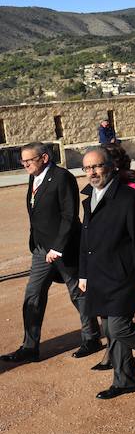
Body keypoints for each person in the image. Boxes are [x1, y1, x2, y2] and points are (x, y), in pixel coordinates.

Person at [76, 147, 135, 399]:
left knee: (119, 328)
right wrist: (83, 274)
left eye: (97, 166)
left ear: (111, 167)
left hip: (124, 275)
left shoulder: (130, 198)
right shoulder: (89, 199)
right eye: (87, 168)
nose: (92, 172)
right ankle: (124, 380)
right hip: (99, 275)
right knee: (110, 330)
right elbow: (85, 240)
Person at [1, 143, 102, 364]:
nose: (25, 164)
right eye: (23, 161)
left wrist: (58, 247)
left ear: (44, 157)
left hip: (65, 248)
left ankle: (92, 337)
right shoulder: (34, 175)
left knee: (78, 293)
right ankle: (30, 347)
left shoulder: (62, 177)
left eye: (29, 160)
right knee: (33, 296)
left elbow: (69, 215)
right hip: (40, 249)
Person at [91, 143, 135, 371]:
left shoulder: (132, 190)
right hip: (108, 264)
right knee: (107, 315)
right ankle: (112, 353)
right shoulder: (101, 190)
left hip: (128, 262)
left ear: (114, 164)